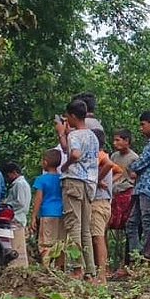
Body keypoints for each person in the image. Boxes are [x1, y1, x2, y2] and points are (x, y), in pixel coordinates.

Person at [56, 99, 100, 278]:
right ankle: (90, 269)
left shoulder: (75, 135)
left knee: (73, 224)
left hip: (74, 181)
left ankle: (76, 268)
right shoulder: (93, 136)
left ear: (73, 116)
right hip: (90, 184)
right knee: (85, 229)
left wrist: (66, 166)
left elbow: (74, 153)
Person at [126, 111, 150, 263]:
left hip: (149, 188)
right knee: (131, 224)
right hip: (142, 188)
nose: (141, 128)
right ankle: (138, 257)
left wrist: (131, 167)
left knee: (147, 224)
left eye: (143, 124)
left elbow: (139, 164)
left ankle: (148, 259)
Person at [90, 131, 117, 281]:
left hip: (98, 202)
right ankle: (99, 272)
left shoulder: (99, 156)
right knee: (96, 237)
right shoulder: (98, 157)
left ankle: (101, 275)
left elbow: (109, 163)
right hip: (103, 202)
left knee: (98, 237)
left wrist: (95, 179)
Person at [30, 150, 64, 267]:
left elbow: (38, 199)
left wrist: (34, 216)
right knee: (61, 243)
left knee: (46, 243)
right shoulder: (62, 179)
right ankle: (60, 269)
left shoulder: (41, 179)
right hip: (62, 213)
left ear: (45, 162)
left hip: (47, 214)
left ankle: (46, 268)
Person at [1, 162, 32, 269]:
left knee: (16, 247)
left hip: (17, 218)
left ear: (14, 173)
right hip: (17, 218)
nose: (7, 178)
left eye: (8, 175)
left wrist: (6, 205)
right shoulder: (18, 184)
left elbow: (20, 202)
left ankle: (18, 268)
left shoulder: (20, 184)